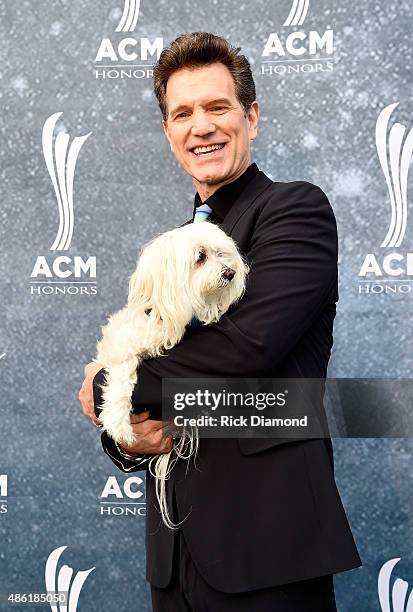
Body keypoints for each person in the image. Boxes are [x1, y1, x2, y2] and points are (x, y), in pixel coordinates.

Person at [79, 31, 362, 611]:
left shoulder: (294, 209)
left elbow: (247, 346)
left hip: (269, 554)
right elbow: (152, 391)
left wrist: (112, 384)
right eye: (183, 113)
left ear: (251, 117)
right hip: (176, 558)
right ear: (169, 133)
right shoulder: (170, 253)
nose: (200, 126)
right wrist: (128, 434)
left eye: (217, 107)